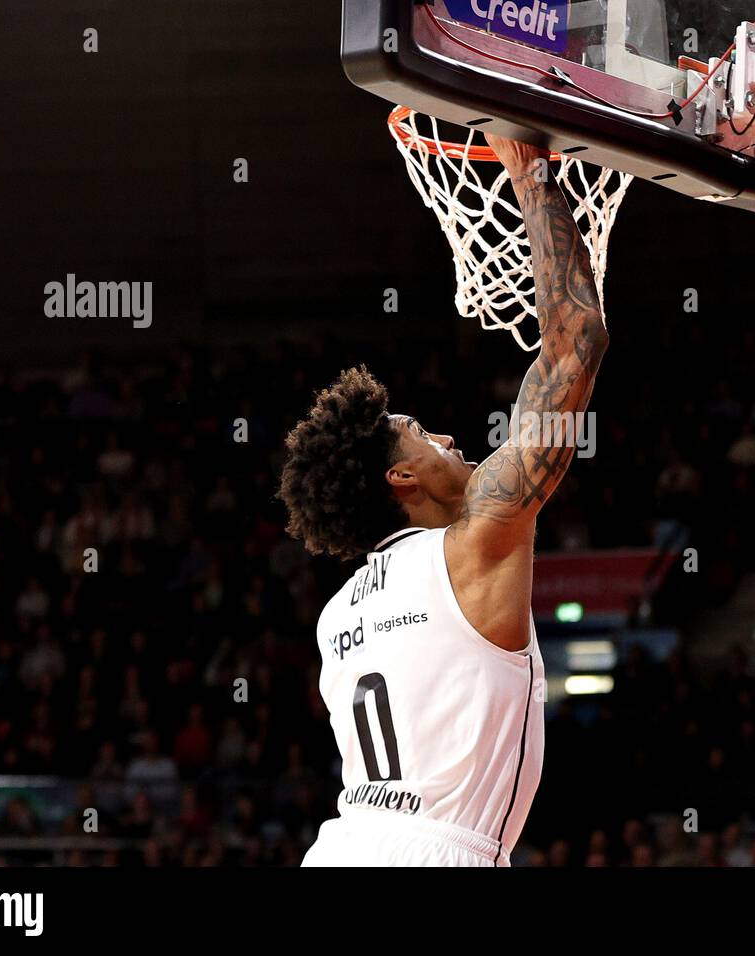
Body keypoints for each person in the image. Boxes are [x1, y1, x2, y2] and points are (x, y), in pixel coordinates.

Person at [281, 133, 609, 867]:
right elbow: (575, 340)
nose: (449, 437)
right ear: (401, 479)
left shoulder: (339, 617)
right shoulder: (473, 548)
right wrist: (529, 174)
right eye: (420, 433)